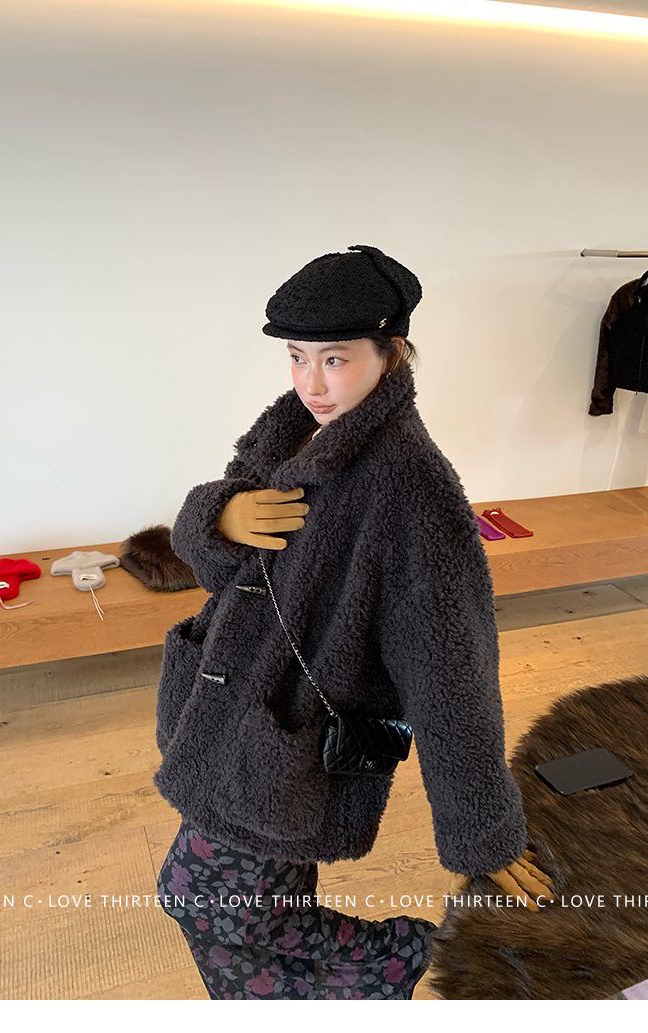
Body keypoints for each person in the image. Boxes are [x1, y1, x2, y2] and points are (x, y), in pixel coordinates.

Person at [153, 244, 552, 1000]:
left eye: (334, 359)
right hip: (229, 723)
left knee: (208, 903)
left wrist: (483, 833)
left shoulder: (412, 486)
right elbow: (221, 571)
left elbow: (451, 672)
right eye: (297, 358)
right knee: (220, 911)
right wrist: (217, 516)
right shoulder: (291, 431)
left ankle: (400, 954)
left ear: (391, 352)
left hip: (285, 750)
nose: (311, 383)